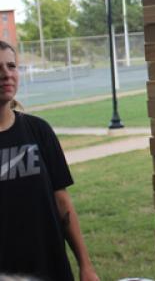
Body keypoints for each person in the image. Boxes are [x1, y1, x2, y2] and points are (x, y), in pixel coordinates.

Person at [0, 41, 99, 281]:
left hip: (50, 268)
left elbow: (62, 202)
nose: (6, 74)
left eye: (11, 66)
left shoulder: (38, 130)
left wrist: (85, 265)